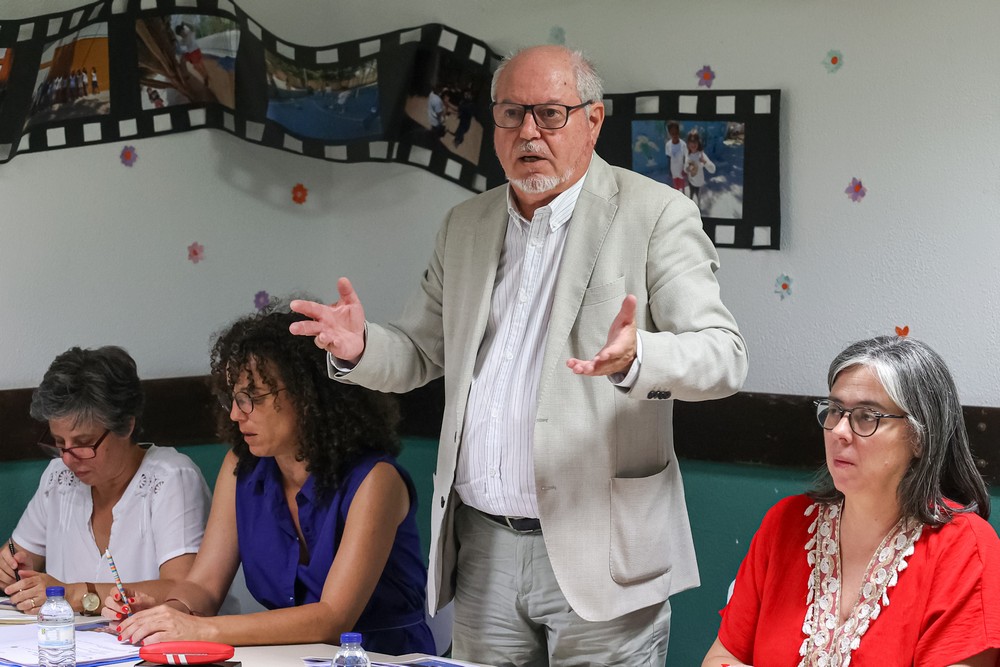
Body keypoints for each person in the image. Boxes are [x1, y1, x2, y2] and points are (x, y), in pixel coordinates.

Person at [289, 44, 747, 666]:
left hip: (603, 549)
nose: (529, 131)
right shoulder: (465, 225)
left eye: (551, 113)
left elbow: (723, 356)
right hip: (483, 549)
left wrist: (642, 356)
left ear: (594, 120)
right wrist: (362, 346)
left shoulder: (657, 213)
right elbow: (421, 351)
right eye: (511, 113)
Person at [113, 309, 435, 655]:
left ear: (308, 395)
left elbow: (332, 619)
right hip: (289, 658)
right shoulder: (241, 466)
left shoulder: (375, 480)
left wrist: (200, 628)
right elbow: (204, 587)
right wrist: (167, 614)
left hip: (381, 658)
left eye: (253, 397)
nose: (237, 414)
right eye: (233, 398)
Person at [703, 336, 1000, 667]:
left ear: (920, 437)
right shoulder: (785, 522)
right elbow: (722, 657)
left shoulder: (964, 547)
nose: (839, 430)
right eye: (834, 410)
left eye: (866, 416)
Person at [0, 346, 210, 617]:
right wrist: (9, 569)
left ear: (126, 426)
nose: (67, 459)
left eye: (84, 443)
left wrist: (76, 594)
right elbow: (14, 556)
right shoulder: (58, 479)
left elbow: (185, 589)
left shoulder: (172, 479)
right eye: (59, 443)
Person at [684, 128, 716, 208]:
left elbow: (713, 170)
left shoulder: (701, 155)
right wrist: (687, 169)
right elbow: (685, 168)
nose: (693, 144)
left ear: (698, 143)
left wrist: (705, 162)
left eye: (695, 141)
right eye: (691, 142)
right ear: (688, 143)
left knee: (698, 198)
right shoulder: (687, 154)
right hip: (690, 182)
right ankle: (690, 207)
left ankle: (698, 209)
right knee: (690, 197)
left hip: (699, 183)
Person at [665, 120, 688, 191]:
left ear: (679, 132)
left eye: (676, 133)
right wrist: (670, 171)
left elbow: (686, 158)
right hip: (674, 171)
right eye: (672, 133)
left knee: (682, 189)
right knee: (676, 189)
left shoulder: (683, 145)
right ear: (669, 133)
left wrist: (685, 170)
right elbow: (669, 158)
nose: (674, 135)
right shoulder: (668, 145)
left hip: (681, 171)